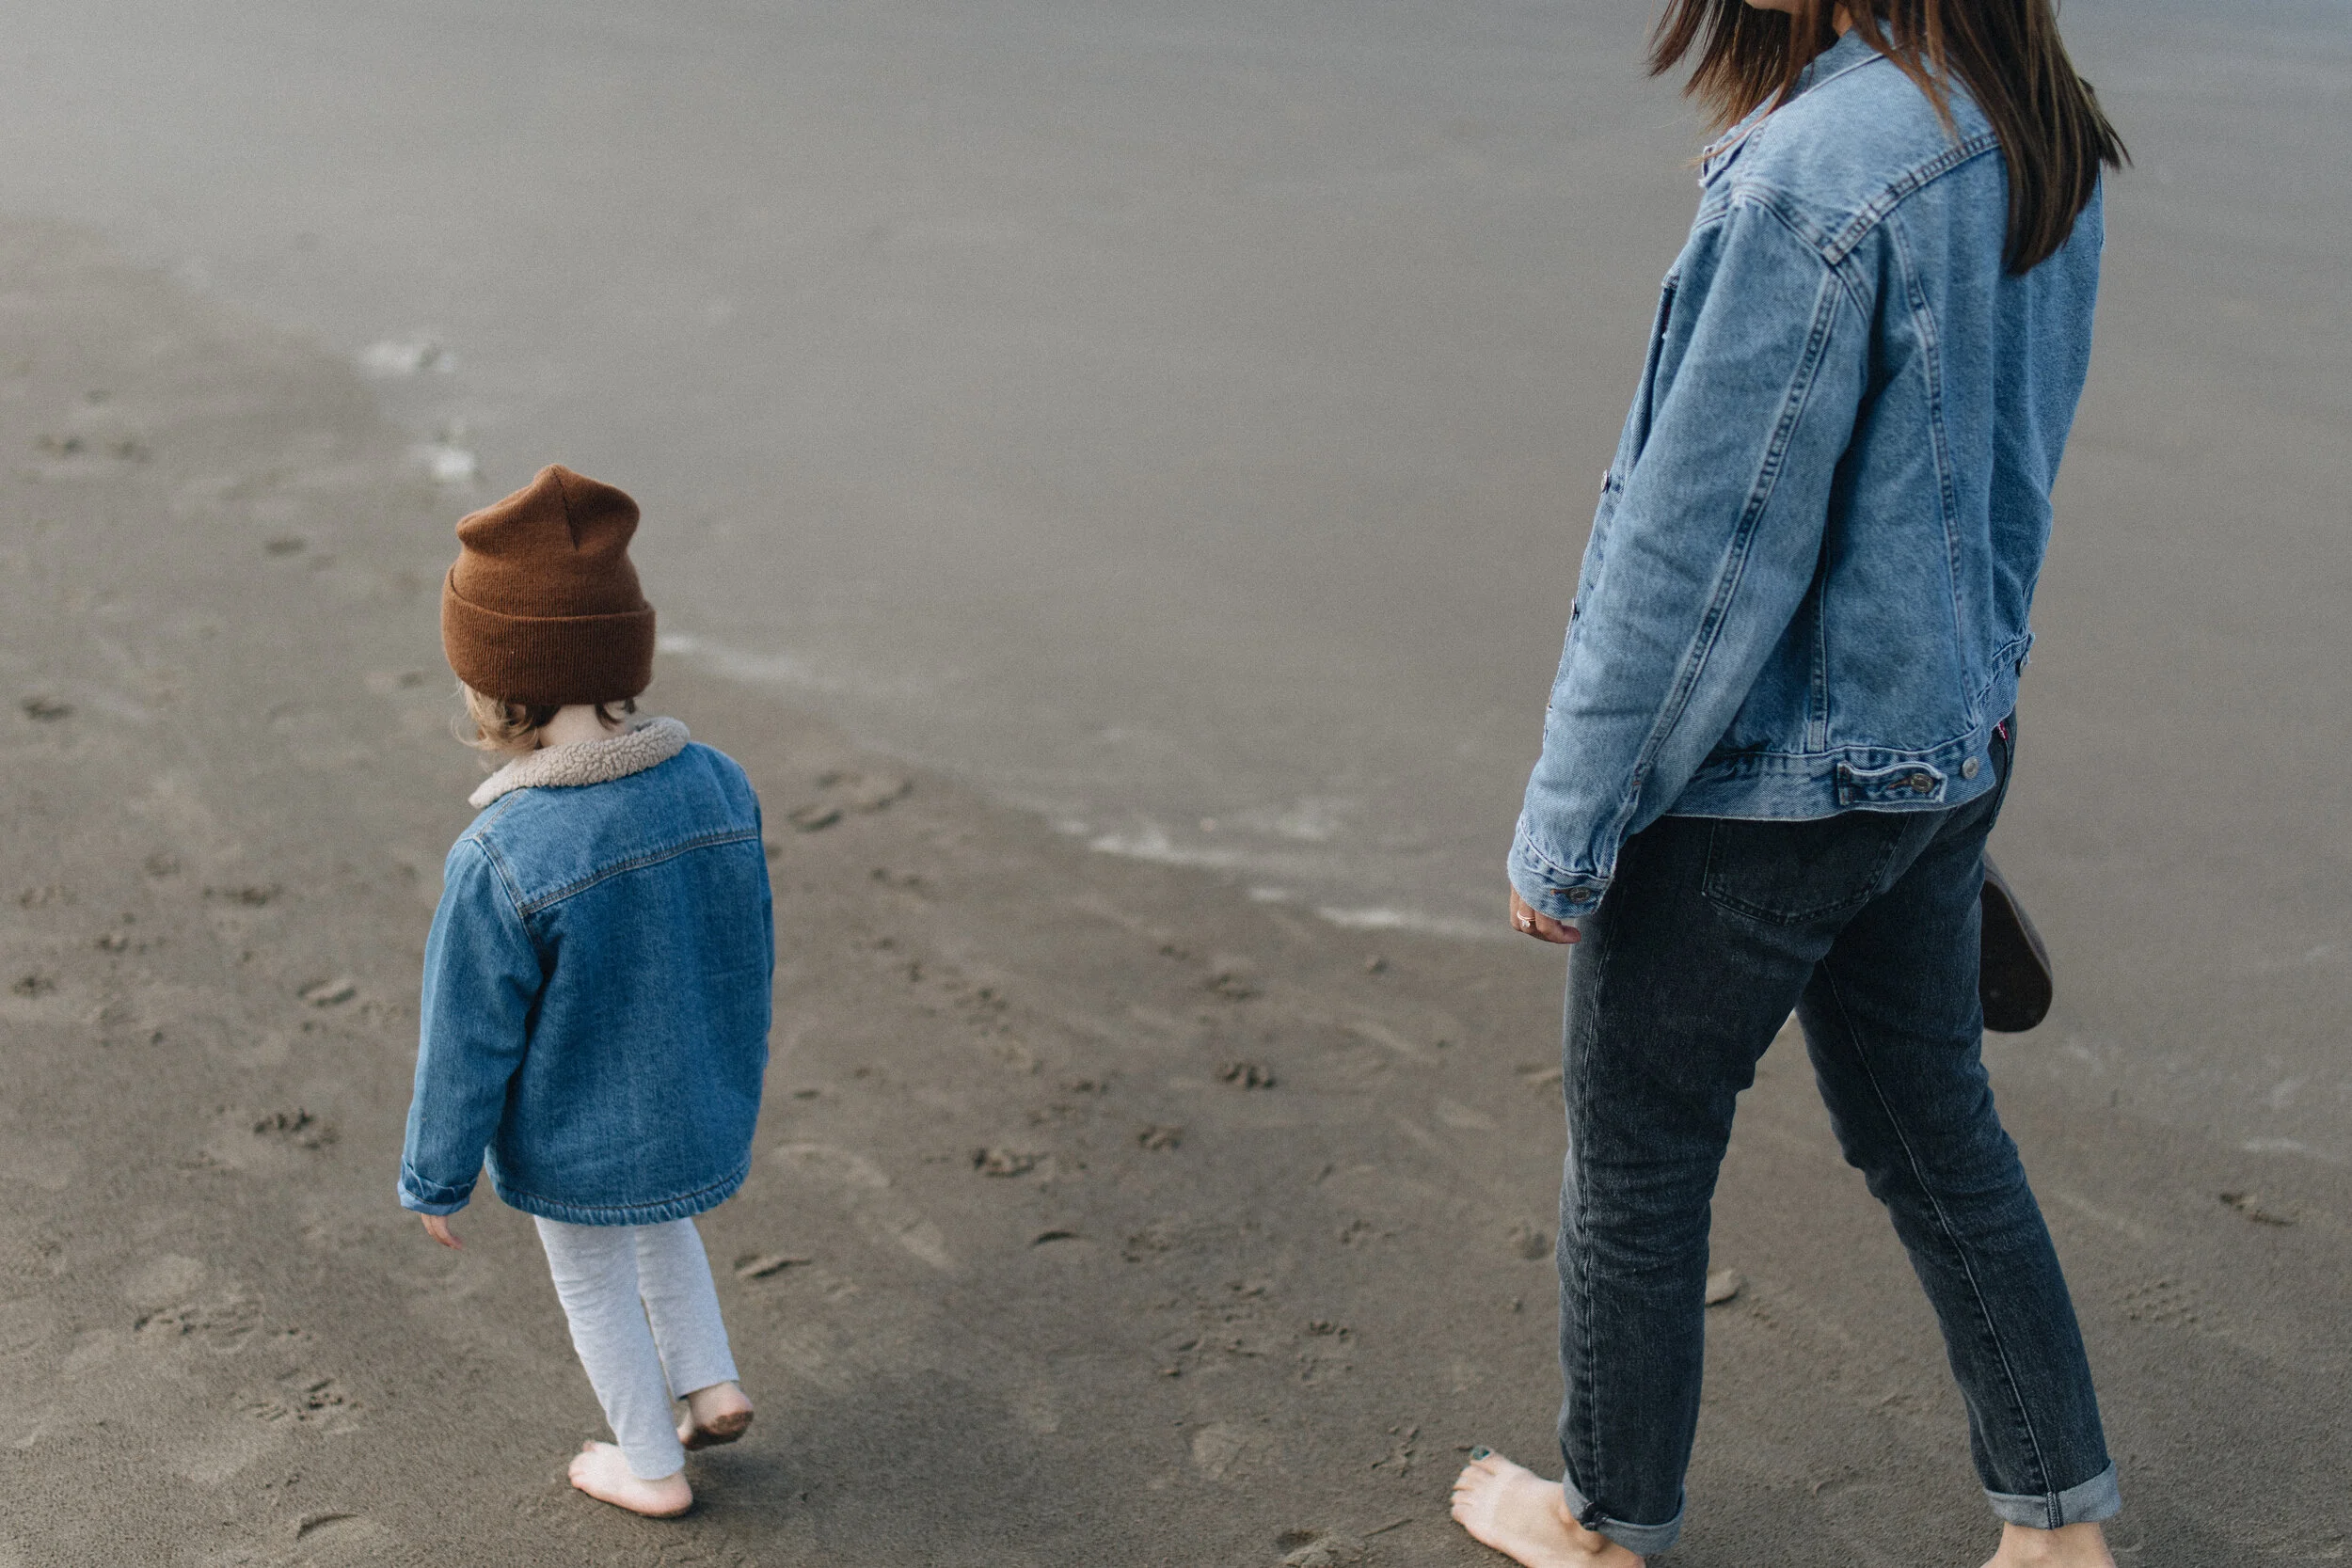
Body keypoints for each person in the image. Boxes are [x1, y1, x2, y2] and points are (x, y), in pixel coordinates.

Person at [1451, 3, 2127, 1564]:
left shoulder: (1810, 176)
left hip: (1764, 792)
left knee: (1640, 1151)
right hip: (1944, 754)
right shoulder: (2038, 123)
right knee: (1936, 1135)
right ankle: (2059, 1533)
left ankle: (1604, 1527)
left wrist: (1569, 821)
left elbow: (1696, 547)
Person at [399, 465, 773, 1518]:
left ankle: (650, 1464)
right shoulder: (719, 782)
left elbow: (466, 1037)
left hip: (575, 1133)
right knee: (662, 1222)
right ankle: (711, 1381)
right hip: (694, 1099)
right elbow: (742, 944)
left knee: (595, 1277)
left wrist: (435, 1175)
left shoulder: (502, 853)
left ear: (497, 685)